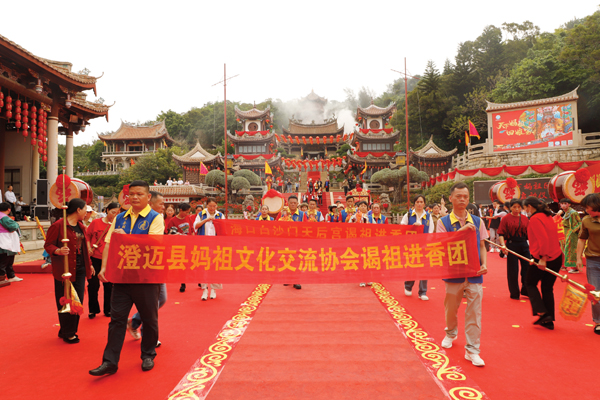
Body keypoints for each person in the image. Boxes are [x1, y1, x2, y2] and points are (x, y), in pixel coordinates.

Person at [90, 180, 164, 375]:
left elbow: (154, 243)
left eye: (139, 194)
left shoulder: (155, 218)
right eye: (132, 194)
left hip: (146, 278)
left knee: (149, 319)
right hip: (122, 277)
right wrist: (104, 267)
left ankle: (148, 354)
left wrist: (126, 238)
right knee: (116, 320)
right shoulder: (120, 218)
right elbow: (108, 243)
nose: (135, 197)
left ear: (148, 197)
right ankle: (110, 362)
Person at [437, 182, 488, 367]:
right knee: (451, 308)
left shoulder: (477, 221)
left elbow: (482, 245)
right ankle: (451, 332)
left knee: (474, 312)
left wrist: (484, 264)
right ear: (450, 198)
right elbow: (442, 244)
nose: (462, 200)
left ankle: (472, 349)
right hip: (453, 273)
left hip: (474, 273)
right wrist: (461, 231)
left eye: (465, 197)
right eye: (458, 196)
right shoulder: (442, 222)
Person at [44, 198, 93, 344]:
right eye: (85, 210)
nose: (86, 213)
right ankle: (69, 332)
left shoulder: (81, 226)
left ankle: (67, 329)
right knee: (65, 301)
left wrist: (89, 265)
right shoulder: (58, 226)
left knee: (77, 300)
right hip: (64, 269)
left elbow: (84, 249)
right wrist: (58, 250)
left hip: (80, 268)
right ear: (78, 210)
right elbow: (48, 245)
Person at [128, 192, 168, 344]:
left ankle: (134, 322)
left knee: (161, 299)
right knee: (151, 301)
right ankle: (148, 336)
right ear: (151, 204)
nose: (163, 207)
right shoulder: (142, 220)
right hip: (145, 265)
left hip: (158, 264)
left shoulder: (159, 218)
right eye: (161, 204)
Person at [522, 196, 563, 330]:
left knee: (530, 283)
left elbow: (543, 239)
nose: (525, 210)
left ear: (529, 206)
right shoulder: (548, 216)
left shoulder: (535, 218)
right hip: (556, 256)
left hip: (545, 257)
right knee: (547, 288)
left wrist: (543, 258)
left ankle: (543, 312)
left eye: (525, 208)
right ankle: (549, 320)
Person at [85, 202, 120, 318]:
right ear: (107, 210)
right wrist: (89, 248)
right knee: (93, 285)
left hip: (109, 259)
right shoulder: (96, 223)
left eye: (117, 213)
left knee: (109, 285)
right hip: (95, 257)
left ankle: (108, 309)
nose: (114, 215)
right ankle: (93, 309)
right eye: (113, 212)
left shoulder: (118, 226)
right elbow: (87, 236)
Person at [576, 193, 600, 335]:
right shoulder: (586, 220)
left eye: (588, 207)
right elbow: (582, 239)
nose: (586, 210)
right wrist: (578, 257)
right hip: (593, 260)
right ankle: (598, 321)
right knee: (595, 292)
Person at [497, 199, 530, 300]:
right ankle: (514, 293)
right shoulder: (505, 218)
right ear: (510, 207)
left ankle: (526, 290)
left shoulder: (525, 218)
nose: (516, 209)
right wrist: (503, 246)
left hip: (524, 245)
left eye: (519, 207)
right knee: (513, 270)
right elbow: (501, 233)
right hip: (512, 245)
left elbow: (529, 234)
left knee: (527, 268)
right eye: (514, 207)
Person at [401, 195, 433, 301]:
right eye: (417, 202)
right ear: (414, 203)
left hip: (424, 246)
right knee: (412, 267)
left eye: (421, 202)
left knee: (424, 269)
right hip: (412, 246)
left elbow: (431, 231)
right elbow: (402, 228)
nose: (419, 204)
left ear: (424, 204)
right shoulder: (408, 215)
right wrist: (412, 227)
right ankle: (408, 286)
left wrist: (427, 243)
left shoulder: (428, 216)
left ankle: (423, 292)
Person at [193, 198, 224, 300]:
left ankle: (214, 289)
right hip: (203, 244)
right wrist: (206, 220)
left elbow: (224, 229)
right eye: (210, 206)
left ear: (217, 206)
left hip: (216, 245)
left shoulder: (220, 215)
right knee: (203, 267)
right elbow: (195, 226)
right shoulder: (201, 214)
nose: (212, 208)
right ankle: (205, 289)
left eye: (214, 206)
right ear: (206, 206)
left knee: (215, 267)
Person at [279, 195, 304, 289]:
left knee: (297, 261)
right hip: (285, 241)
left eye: (294, 203)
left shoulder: (302, 214)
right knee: (286, 259)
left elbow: (306, 227)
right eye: (291, 203)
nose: (293, 204)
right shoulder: (282, 213)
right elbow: (276, 226)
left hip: (297, 241)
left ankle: (296, 280)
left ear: (297, 204)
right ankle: (287, 278)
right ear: (288, 203)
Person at [0, 202, 22, 285]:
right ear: (9, 210)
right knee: (4, 260)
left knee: (8, 259)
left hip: (5, 239)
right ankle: (1, 277)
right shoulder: (4, 217)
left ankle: (11, 276)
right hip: (5, 240)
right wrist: (16, 224)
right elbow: (13, 226)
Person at [558, 198, 582, 273]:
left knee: (572, 249)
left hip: (571, 234)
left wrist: (570, 234)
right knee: (565, 249)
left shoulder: (573, 213)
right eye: (562, 203)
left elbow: (577, 224)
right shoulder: (566, 212)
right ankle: (565, 266)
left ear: (569, 204)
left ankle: (575, 267)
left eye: (565, 203)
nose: (563, 205)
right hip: (566, 233)